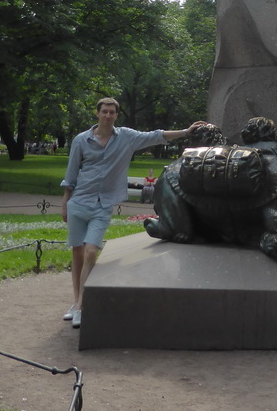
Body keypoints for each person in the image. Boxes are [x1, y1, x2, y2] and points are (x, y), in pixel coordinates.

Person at [60, 98, 206, 328]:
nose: (107, 115)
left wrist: (186, 132)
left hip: (103, 204)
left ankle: (80, 306)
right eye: (104, 111)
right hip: (79, 202)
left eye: (111, 112)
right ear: (97, 114)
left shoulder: (126, 137)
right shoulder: (81, 140)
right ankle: (75, 301)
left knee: (90, 253)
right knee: (77, 253)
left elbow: (156, 135)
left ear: (116, 115)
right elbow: (71, 173)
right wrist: (65, 202)